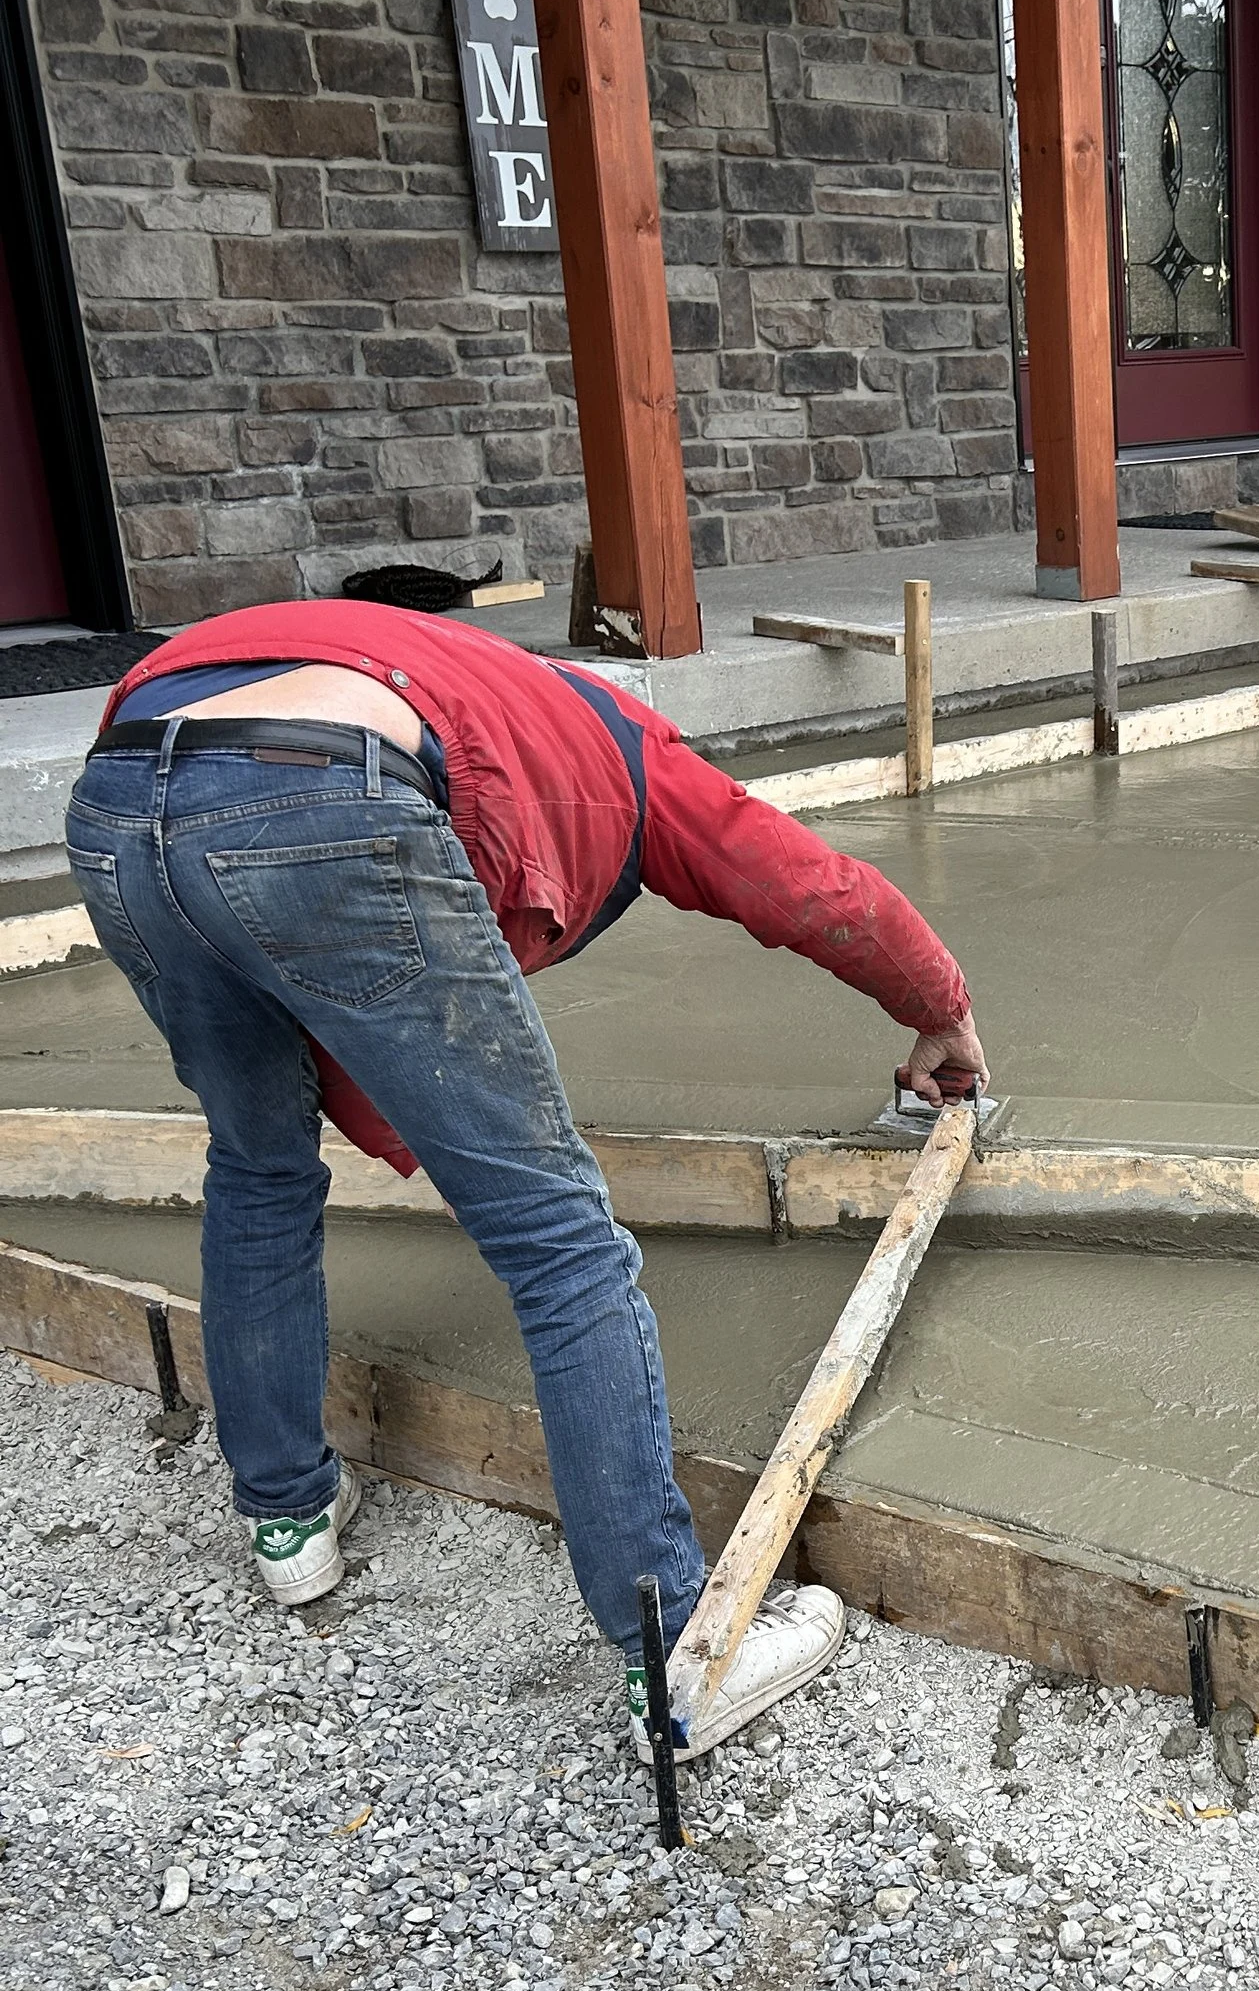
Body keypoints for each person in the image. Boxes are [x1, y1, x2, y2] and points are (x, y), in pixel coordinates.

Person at [67, 600, 985, 1761]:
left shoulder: (446, 676)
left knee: (256, 1169)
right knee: (560, 1240)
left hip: (117, 803)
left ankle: (289, 1522)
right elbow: (810, 889)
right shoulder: (630, 755)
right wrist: (940, 1008)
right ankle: (673, 1654)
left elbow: (202, 804)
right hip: (326, 796)